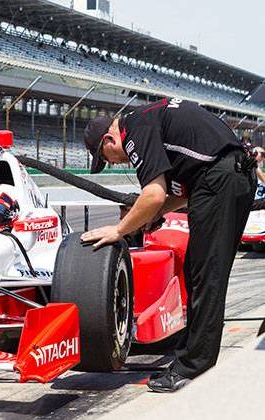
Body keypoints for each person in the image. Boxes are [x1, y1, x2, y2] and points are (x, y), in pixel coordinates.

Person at [81, 98, 255, 393]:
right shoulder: (149, 119)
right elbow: (179, 191)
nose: (112, 162)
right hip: (228, 175)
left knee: (205, 275)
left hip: (221, 179)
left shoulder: (135, 128)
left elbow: (154, 194)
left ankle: (193, 366)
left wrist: (119, 230)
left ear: (110, 139)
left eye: (106, 157)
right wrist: (154, 215)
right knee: (199, 271)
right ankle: (193, 356)